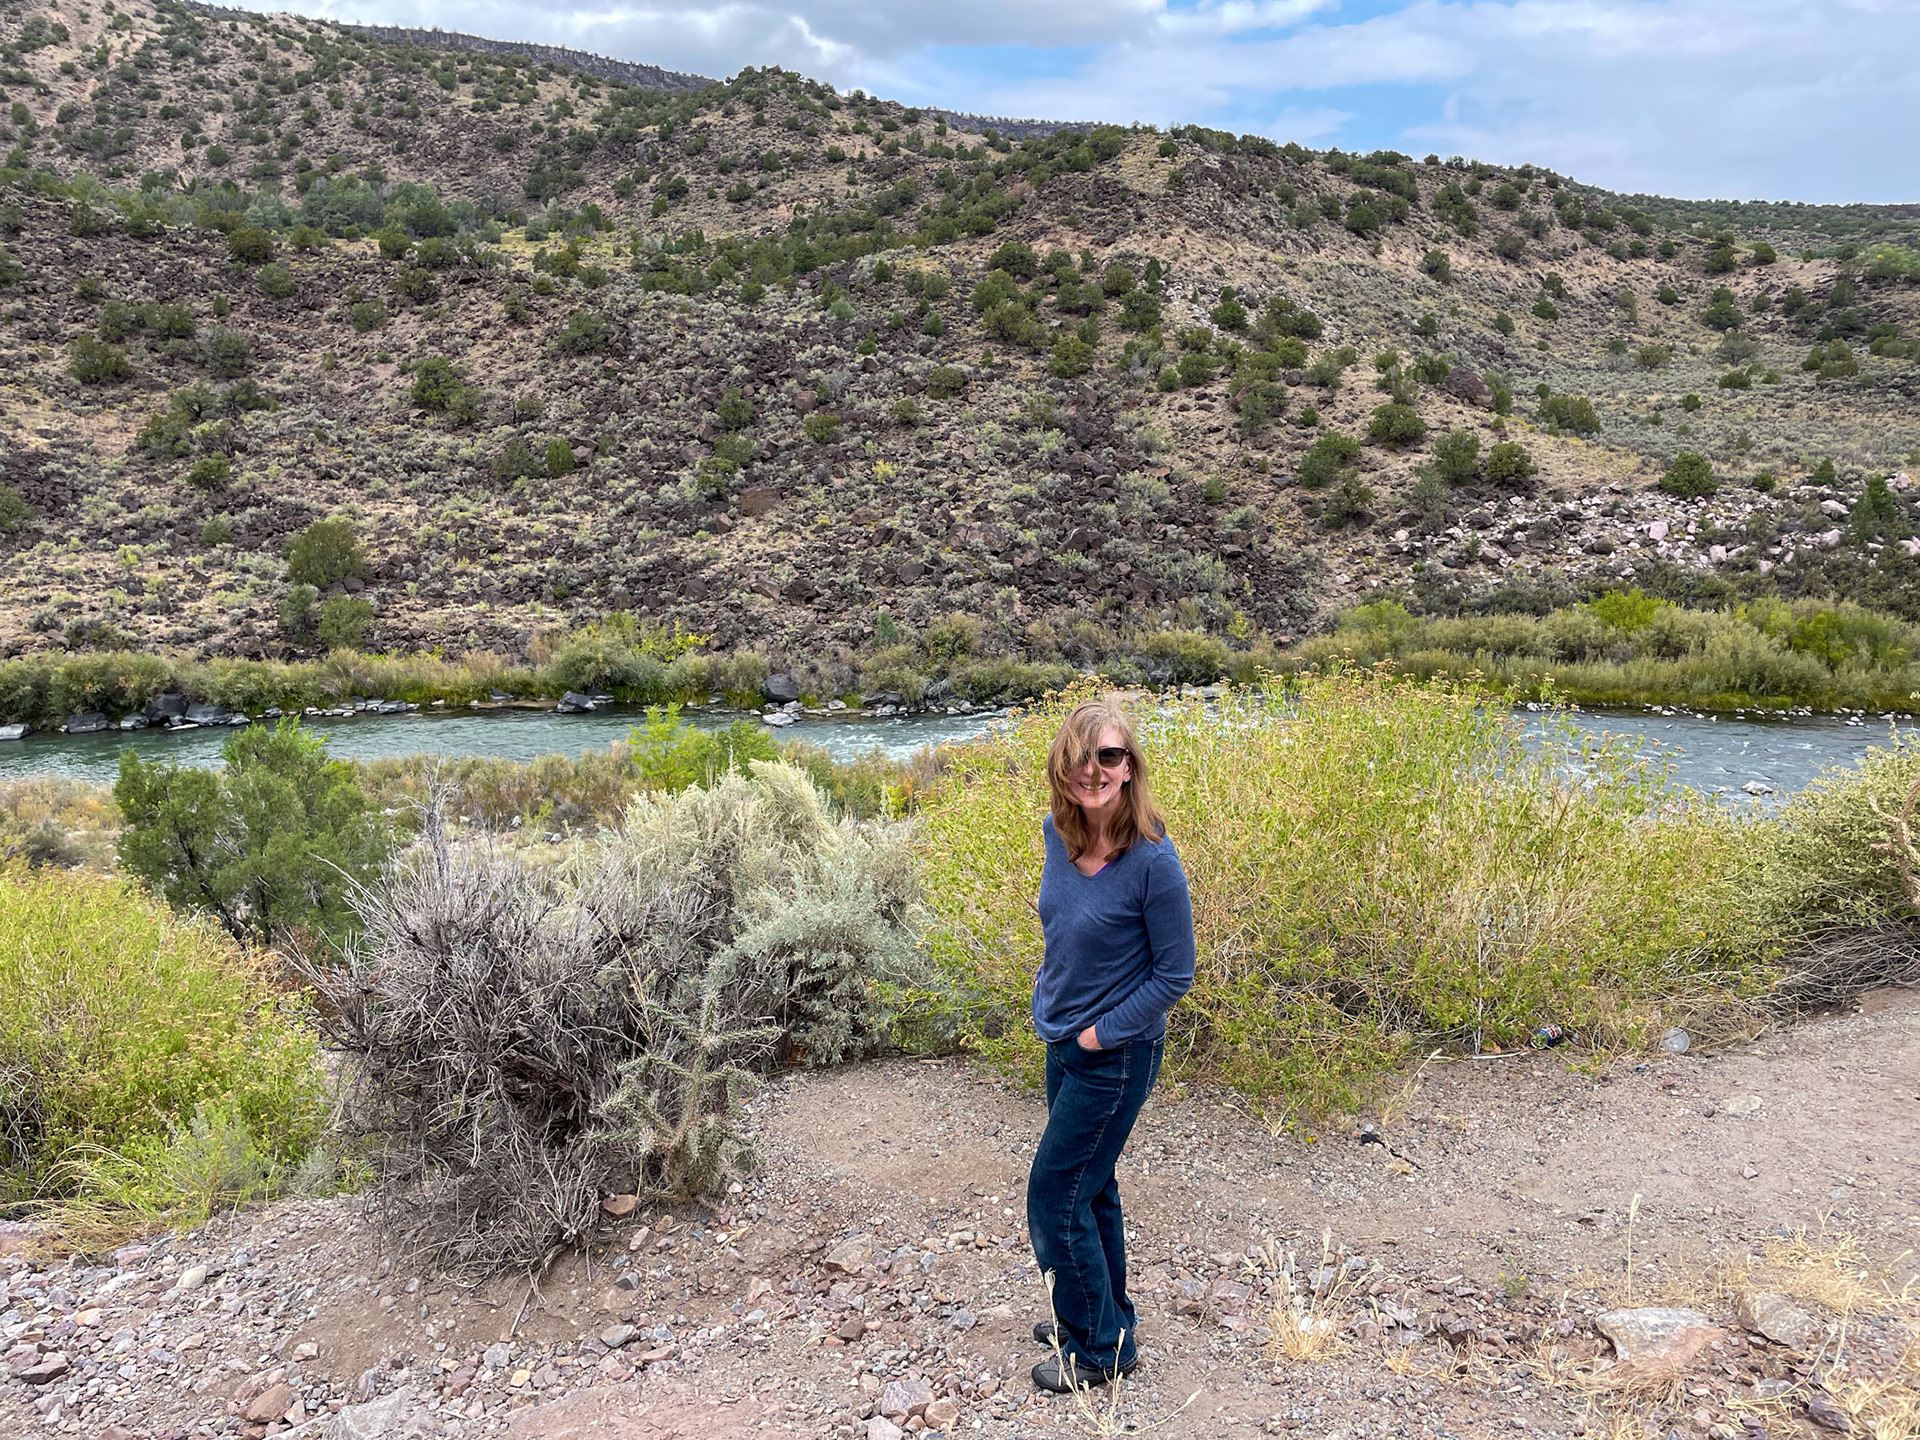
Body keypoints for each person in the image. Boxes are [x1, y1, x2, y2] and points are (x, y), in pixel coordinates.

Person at [1025, 697, 1195, 1393]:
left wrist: (1101, 1032)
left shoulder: (1153, 860)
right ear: (1062, 767)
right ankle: (1103, 1317)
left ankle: (1100, 1352)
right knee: (1091, 1190)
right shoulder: (1057, 834)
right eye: (1081, 757)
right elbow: (1063, 926)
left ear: (1130, 768)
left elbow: (1175, 974)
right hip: (1060, 1041)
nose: (1093, 770)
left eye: (1110, 756)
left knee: (1055, 1194)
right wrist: (1053, 1001)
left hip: (1115, 1055)